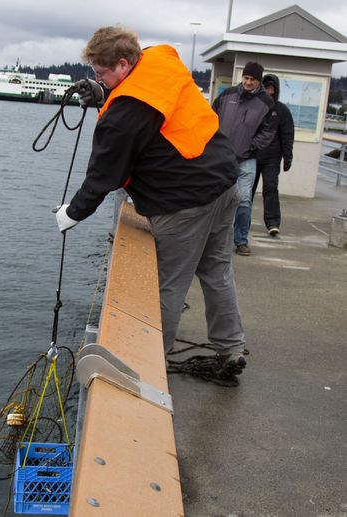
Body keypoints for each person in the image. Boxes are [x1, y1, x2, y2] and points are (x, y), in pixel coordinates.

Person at [55, 26, 246, 376]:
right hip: (225, 183)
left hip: (185, 202)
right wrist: (103, 90)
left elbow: (105, 174)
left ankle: (149, 367)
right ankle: (231, 347)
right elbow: (146, 102)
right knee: (217, 271)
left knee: (168, 285)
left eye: (101, 73)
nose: (98, 79)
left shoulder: (124, 114)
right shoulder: (160, 59)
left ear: (124, 64)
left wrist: (73, 212)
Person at [212, 62, 279, 256]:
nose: (248, 82)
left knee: (244, 201)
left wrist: (251, 147)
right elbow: (210, 117)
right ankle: (213, 238)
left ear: (259, 81)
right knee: (216, 198)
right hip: (221, 157)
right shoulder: (227, 95)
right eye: (246, 78)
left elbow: (268, 132)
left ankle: (241, 240)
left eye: (253, 79)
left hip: (247, 160)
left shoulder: (267, 103)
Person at [253, 74, 295, 236]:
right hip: (253, 156)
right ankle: (241, 221)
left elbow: (287, 135)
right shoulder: (254, 106)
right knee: (246, 191)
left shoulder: (282, 110)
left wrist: (288, 157)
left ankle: (272, 222)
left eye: (272, 89)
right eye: (266, 88)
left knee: (270, 189)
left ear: (276, 91)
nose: (269, 92)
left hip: (272, 159)